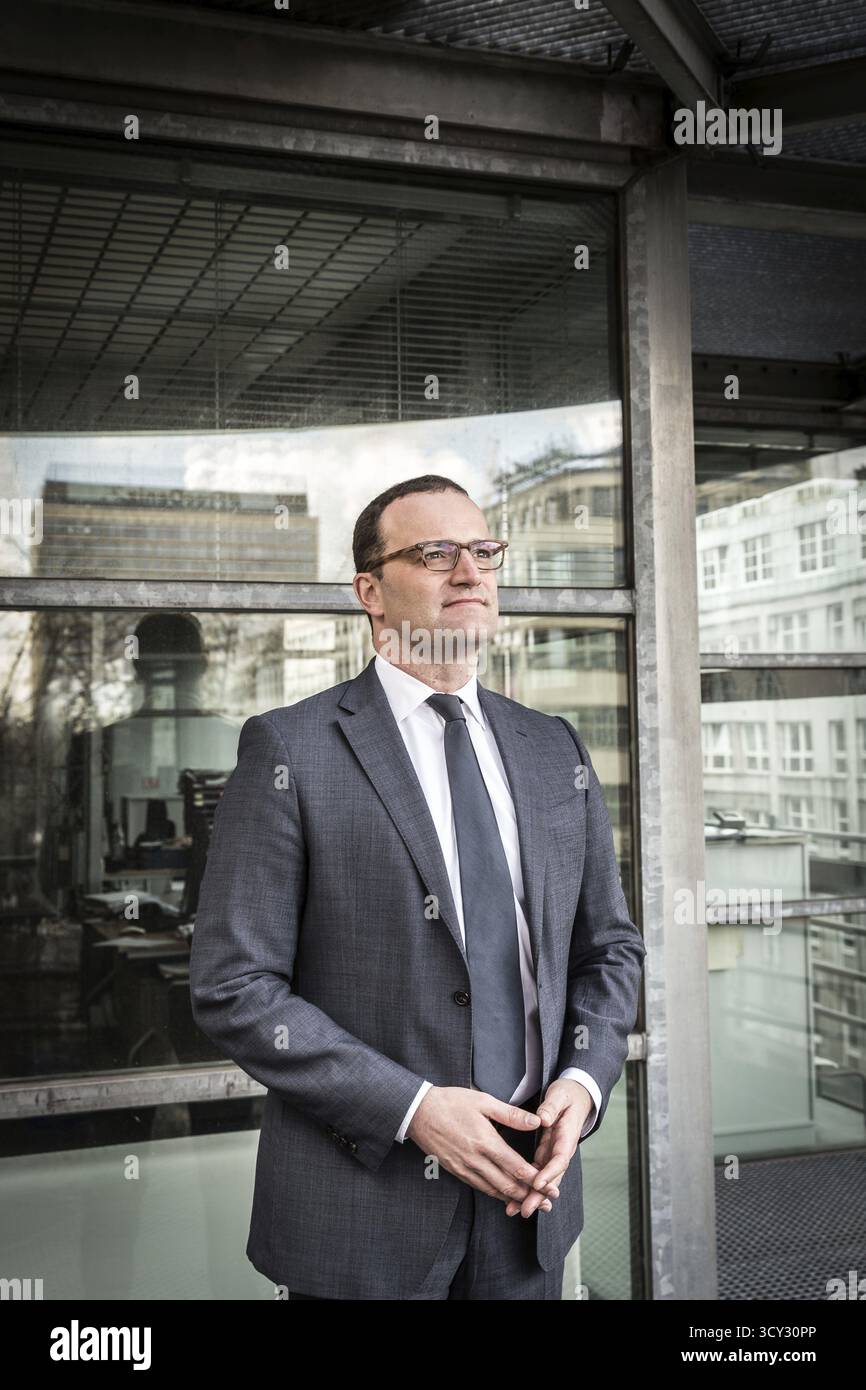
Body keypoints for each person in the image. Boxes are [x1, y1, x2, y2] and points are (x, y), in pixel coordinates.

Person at [189, 473, 647, 1300]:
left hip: (530, 1203)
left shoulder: (554, 750)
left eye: (483, 551)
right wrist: (415, 1110)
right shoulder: (292, 750)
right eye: (436, 553)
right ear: (369, 590)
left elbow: (608, 950)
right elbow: (235, 988)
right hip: (363, 1218)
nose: (469, 573)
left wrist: (582, 1085)